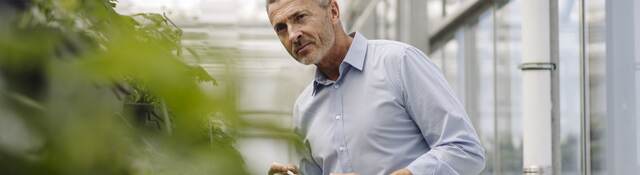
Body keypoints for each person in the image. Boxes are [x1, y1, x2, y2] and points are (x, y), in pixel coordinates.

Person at [266, 0, 486, 174]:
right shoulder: (303, 108)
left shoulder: (399, 62)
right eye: (281, 28)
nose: (293, 34)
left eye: (300, 17)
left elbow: (465, 150)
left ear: (333, 11)